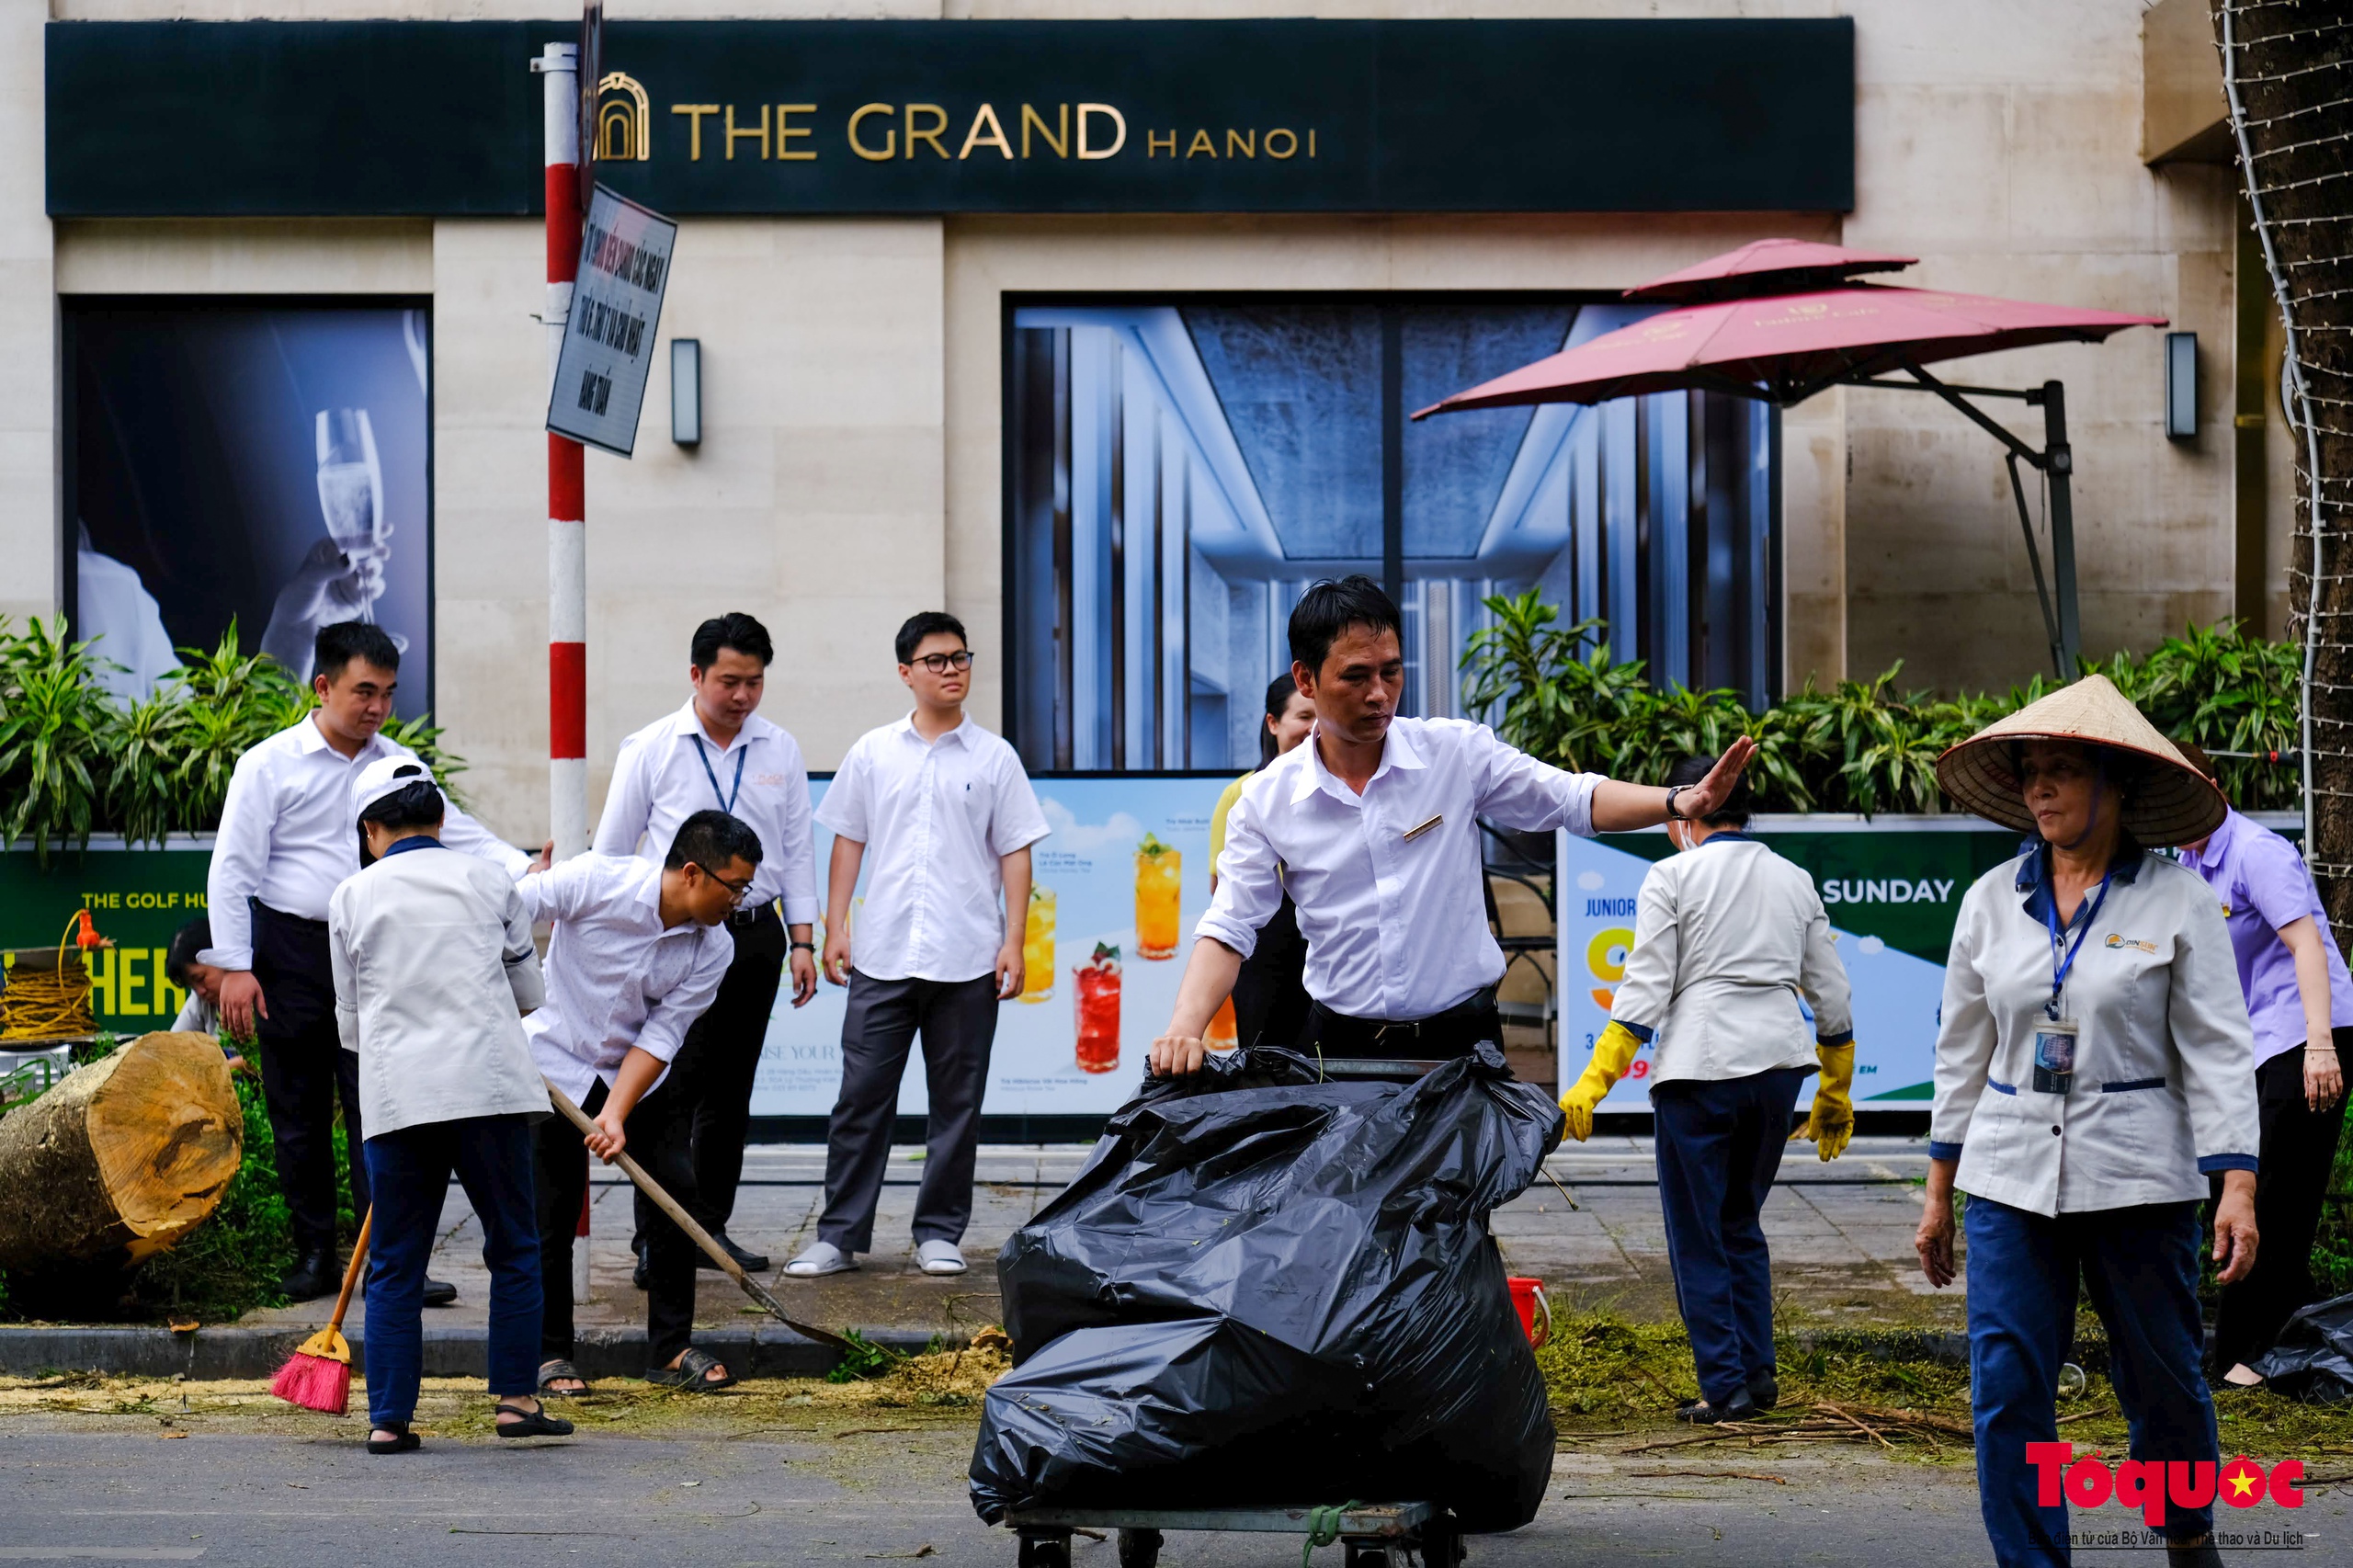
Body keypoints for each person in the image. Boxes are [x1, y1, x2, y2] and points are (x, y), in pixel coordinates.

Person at [1916, 675, 2261, 1568]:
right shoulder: (1990, 900)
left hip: (2139, 1173)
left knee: (2162, 1377)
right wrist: (1937, 1190)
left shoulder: (2176, 900)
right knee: (2004, 1382)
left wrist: (2237, 1182)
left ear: (2115, 786)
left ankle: (2185, 1527)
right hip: (2006, 1172)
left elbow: (2219, 1047)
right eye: (2030, 770)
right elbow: (1960, 1049)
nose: (2040, 787)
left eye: (2061, 769)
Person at [1153, 575, 1753, 1078]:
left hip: (1462, 1041)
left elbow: (1572, 799)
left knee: (1460, 1219)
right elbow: (1230, 926)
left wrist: (1680, 800)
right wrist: (1184, 1029)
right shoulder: (1266, 800)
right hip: (1343, 1045)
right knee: (1361, 1216)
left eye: (1392, 672)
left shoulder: (1453, 754)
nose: (1380, 694)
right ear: (1306, 680)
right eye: (1356, 676)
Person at [200, 621, 541, 1302]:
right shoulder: (267, 764)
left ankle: (392, 1263)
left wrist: (526, 866)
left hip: (381, 953)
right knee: (297, 1112)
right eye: (364, 692)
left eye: (386, 694)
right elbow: (232, 870)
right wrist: (236, 965)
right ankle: (313, 1257)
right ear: (323, 686)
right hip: (291, 952)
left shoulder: (397, 764)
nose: (377, 708)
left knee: (383, 1109)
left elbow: (459, 834)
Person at [1556, 754, 1855, 1424]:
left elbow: (1643, 991)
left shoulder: (1672, 875)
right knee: (1741, 1224)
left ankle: (1724, 1388)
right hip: (1780, 1070)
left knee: (1697, 1235)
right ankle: (1758, 1374)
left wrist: (1592, 1085)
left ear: (1688, 810)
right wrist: (1835, 1086)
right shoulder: (1794, 877)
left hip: (1699, 1070)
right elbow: (1831, 991)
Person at [788, 612, 1051, 1280]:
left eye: (961, 657)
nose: (953, 669)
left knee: (956, 1104)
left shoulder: (995, 758)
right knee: (860, 1099)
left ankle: (939, 1231)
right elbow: (848, 840)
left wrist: (1013, 943)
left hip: (967, 955)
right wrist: (836, 926)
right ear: (906, 672)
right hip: (883, 954)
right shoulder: (873, 752)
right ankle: (839, 1235)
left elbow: (1015, 853)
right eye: (936, 660)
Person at [329, 758, 567, 1455]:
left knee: (397, 1262)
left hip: (400, 1097)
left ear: (372, 831)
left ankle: (388, 1418)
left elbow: (350, 1026)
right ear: (439, 820)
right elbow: (529, 994)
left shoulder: (350, 896)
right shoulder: (492, 881)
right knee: (515, 1249)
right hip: (489, 1090)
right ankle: (517, 1402)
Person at [596, 613, 819, 1283]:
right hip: (675, 940)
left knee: (730, 1090)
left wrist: (803, 938)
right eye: (729, 681)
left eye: (754, 682)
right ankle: (653, 1238)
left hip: (753, 936)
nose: (743, 696)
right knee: (667, 1086)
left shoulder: (779, 749)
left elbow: (799, 850)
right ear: (696, 675)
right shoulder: (653, 747)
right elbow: (612, 853)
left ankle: (709, 1227)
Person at [521, 810, 757, 1397]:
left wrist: (617, 1113)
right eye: (736, 887)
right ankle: (550, 1355)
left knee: (675, 1190)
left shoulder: (714, 949)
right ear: (692, 873)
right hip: (555, 1060)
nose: (741, 900)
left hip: (639, 1076)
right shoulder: (596, 881)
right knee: (550, 1210)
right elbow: (511, 907)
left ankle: (671, 1349)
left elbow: (661, 1035)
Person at [2174, 742, 2350, 1387]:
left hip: (2305, 1035)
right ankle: (2264, 1344)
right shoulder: (2187, 864)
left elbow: (2307, 944)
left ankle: (2245, 1360)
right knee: (2229, 1190)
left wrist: (2321, 1043)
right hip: (2253, 1044)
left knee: (2275, 1193)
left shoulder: (2256, 852)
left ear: (2214, 787)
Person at [1207, 673, 1319, 1051]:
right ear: (1273, 723)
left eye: (1322, 717)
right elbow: (1224, 895)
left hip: (1328, 952)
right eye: (1304, 717)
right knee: (1266, 1065)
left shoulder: (1341, 788)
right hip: (1265, 955)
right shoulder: (1242, 793)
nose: (1314, 728)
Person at [164, 917, 246, 1075]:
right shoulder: (200, 1000)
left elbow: (268, 1056)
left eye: (200, 979)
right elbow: (170, 1050)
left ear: (220, 957)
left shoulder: (260, 988)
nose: (200, 991)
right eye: (192, 986)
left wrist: (220, 1070)